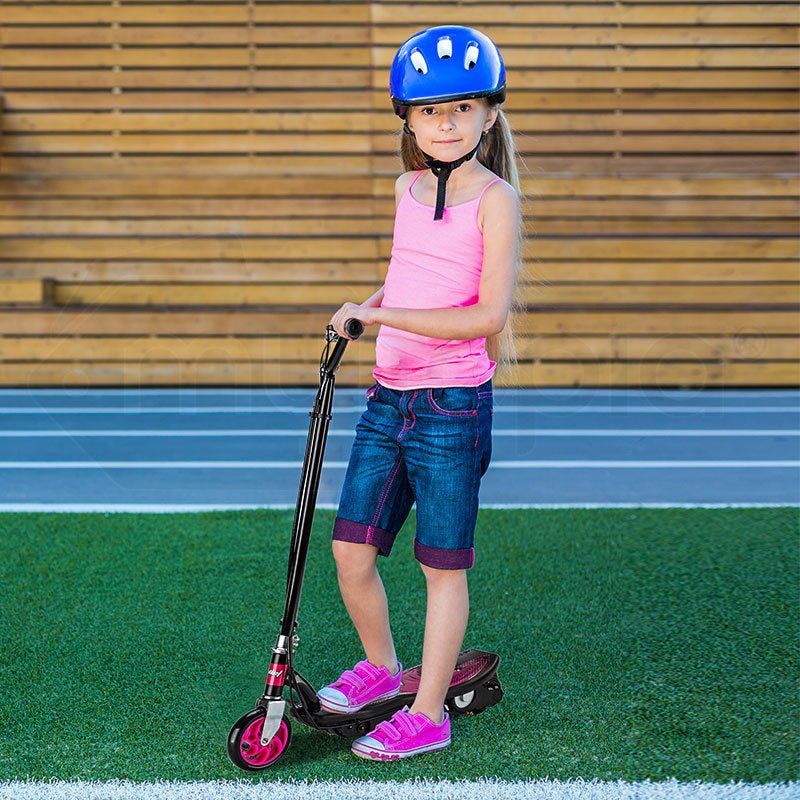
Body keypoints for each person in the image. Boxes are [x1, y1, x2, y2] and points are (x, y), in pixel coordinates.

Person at [321, 24, 526, 761]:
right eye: (432, 110)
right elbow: (409, 280)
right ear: (406, 118)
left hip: (450, 405)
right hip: (388, 397)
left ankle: (429, 712)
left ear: (489, 115)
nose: (448, 122)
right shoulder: (405, 189)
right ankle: (381, 671)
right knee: (352, 552)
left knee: (441, 565)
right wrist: (367, 305)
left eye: (465, 107)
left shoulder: (493, 199)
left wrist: (382, 315)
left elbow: (485, 315)